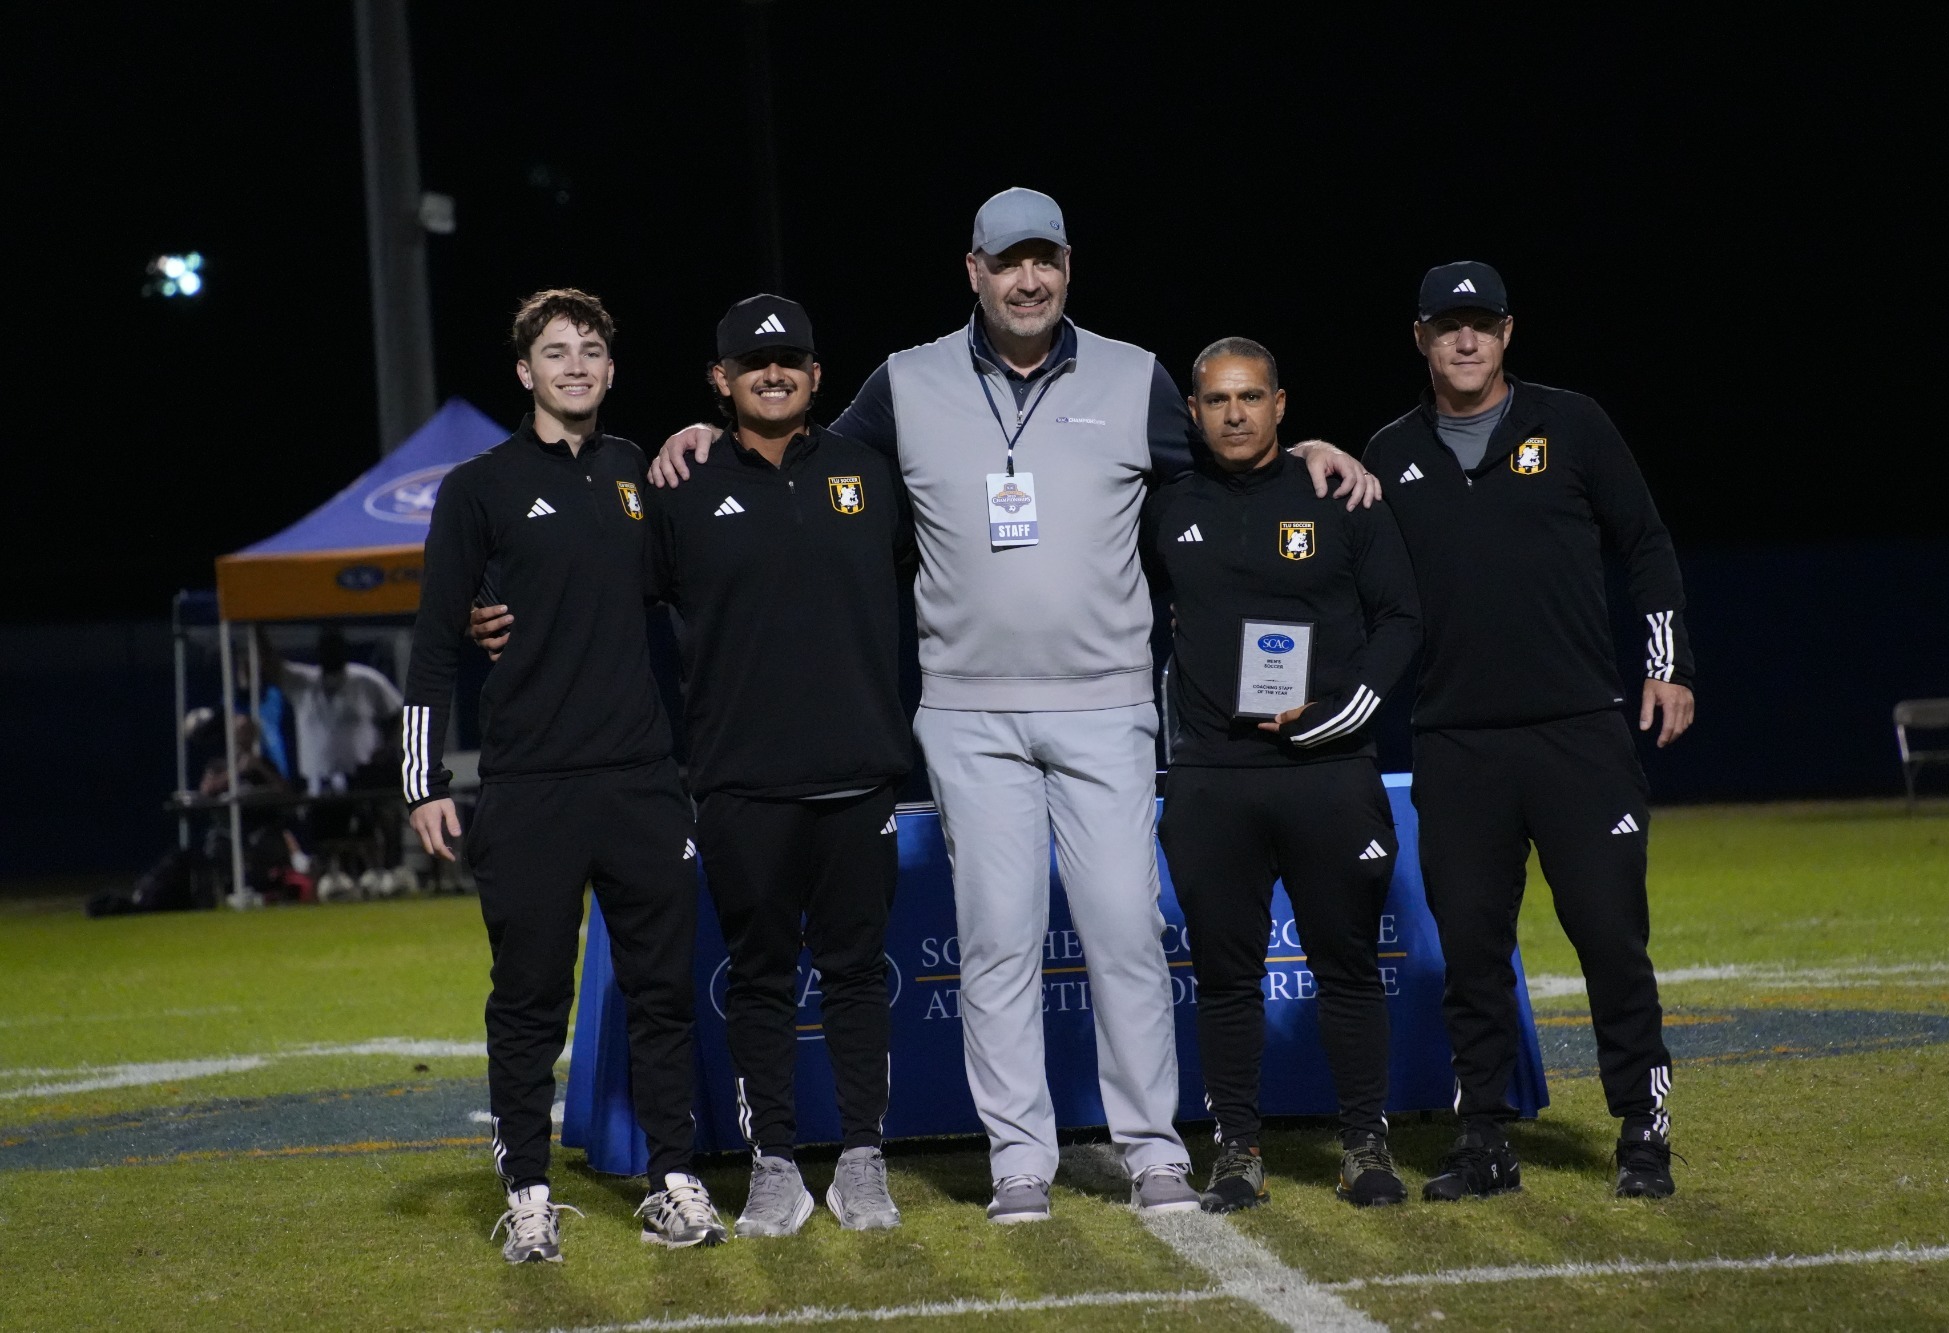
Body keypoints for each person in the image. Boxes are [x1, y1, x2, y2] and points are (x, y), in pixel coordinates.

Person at [649, 188, 1381, 1225]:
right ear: (973, 272)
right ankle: (1017, 1160)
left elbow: (1227, 471)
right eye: (1006, 263)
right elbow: (796, 453)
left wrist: (1307, 454)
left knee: (1126, 928)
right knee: (997, 938)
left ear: (1068, 267)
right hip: (967, 711)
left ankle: (1148, 1146)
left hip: (1105, 702)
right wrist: (702, 429)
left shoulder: (1133, 379)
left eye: (1043, 261)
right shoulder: (904, 382)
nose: (1026, 280)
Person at [474, 295, 915, 1238]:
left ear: (815, 373)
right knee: (756, 977)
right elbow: (591, 582)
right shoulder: (677, 483)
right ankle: (774, 1164)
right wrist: (491, 609)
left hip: (859, 775)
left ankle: (865, 1159)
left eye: (790, 359)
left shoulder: (872, 473)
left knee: (854, 975)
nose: (773, 373)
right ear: (720, 380)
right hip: (738, 781)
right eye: (753, 363)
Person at [402, 289, 726, 1262]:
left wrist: (709, 429)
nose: (575, 364)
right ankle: (530, 1193)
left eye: (590, 349)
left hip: (640, 781)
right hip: (530, 785)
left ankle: (674, 1180)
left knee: (662, 993)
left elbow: (703, 573)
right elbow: (431, 639)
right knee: (530, 999)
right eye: (555, 350)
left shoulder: (640, 474)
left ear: (611, 369)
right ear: (524, 370)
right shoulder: (480, 488)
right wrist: (421, 781)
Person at [1359, 261, 1695, 1201]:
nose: (1465, 341)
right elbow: (1349, 571)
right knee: (1471, 952)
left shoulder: (1573, 423)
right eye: (1447, 326)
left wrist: (1666, 663)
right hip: (1457, 742)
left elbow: (1648, 543)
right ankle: (1482, 1140)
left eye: (1483, 324)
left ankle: (1643, 1127)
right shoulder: (1389, 453)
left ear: (1508, 334)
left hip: (1579, 735)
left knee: (1609, 938)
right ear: (1419, 338)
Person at [1144, 339, 1421, 1211]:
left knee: (1346, 965)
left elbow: (1402, 618)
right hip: (1212, 778)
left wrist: (1340, 714)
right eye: (1218, 399)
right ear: (1193, 411)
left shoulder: (1339, 493)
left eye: (1251, 397)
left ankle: (1365, 1144)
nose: (1235, 413)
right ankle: (1236, 1149)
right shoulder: (1165, 505)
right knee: (1227, 976)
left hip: (1330, 771)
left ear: (1281, 405)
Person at [265, 627, 401, 796]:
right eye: (326, 649)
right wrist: (257, 627)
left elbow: (400, 713)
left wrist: (387, 749)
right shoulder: (302, 681)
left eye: (334, 649)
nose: (330, 654)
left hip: (362, 780)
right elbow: (270, 666)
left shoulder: (367, 680)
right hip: (317, 783)